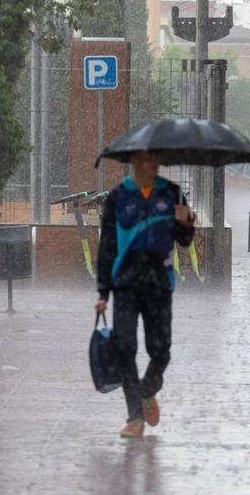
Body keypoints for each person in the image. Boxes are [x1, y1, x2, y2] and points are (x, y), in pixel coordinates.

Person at [95, 150, 196, 438]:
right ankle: (134, 417)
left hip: (159, 286)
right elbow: (108, 247)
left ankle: (147, 390)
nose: (151, 165)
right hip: (125, 285)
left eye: (155, 160)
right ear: (134, 163)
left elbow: (185, 242)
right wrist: (103, 291)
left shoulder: (172, 194)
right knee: (124, 348)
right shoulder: (118, 197)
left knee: (160, 351)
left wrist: (186, 224)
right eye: (144, 160)